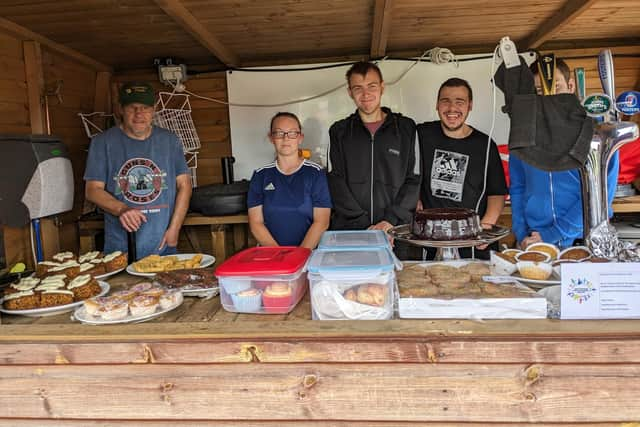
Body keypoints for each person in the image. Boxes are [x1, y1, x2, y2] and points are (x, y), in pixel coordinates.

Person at [509, 59, 619, 249]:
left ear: (570, 86)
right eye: (540, 91)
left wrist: (553, 234)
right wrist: (521, 233)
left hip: (585, 239)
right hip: (533, 240)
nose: (548, 98)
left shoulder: (596, 128)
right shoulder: (524, 132)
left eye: (555, 88)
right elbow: (518, 186)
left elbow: (603, 190)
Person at [84, 82, 192, 259]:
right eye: (132, 108)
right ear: (120, 109)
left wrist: (174, 229)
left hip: (163, 245)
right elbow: (92, 190)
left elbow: (184, 185)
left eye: (145, 108)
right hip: (121, 249)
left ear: (154, 109)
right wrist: (122, 209)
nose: (139, 114)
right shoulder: (102, 143)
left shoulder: (170, 141)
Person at [327, 61, 420, 240]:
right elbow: (334, 180)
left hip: (396, 231)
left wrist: (389, 222)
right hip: (351, 231)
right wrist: (363, 225)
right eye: (358, 88)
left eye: (372, 86)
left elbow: (414, 179)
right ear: (349, 92)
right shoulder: (338, 132)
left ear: (382, 87)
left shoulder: (406, 128)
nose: (366, 94)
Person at [418, 77, 508, 259]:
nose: (452, 109)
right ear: (437, 105)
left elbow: (496, 192)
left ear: (470, 105)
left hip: (475, 244)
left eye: (460, 102)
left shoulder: (485, 144)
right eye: (446, 101)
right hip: (433, 242)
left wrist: (486, 227)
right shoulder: (421, 135)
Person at [247, 112, 331, 249]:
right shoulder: (260, 176)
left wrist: (299, 256)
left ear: (300, 138)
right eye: (279, 133)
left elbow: (322, 221)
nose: (286, 138)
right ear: (271, 137)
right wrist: (280, 256)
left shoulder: (315, 173)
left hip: (308, 255)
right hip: (271, 256)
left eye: (292, 133)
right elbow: (256, 224)